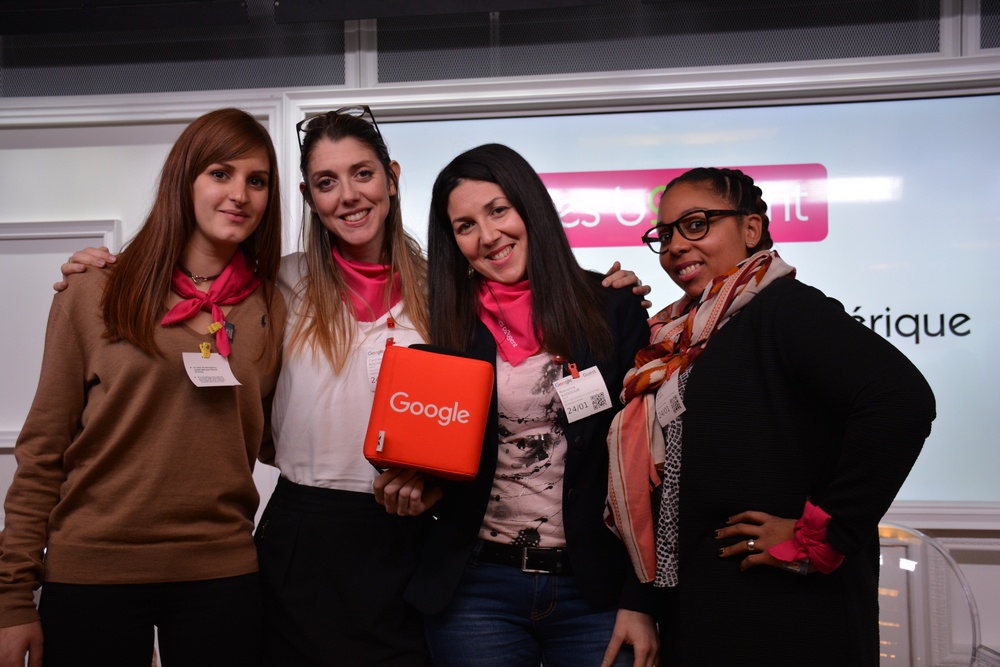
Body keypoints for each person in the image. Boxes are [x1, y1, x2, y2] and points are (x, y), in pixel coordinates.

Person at [52, 108, 650, 666]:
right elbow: (201, 297)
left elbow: (491, 375)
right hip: (302, 534)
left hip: (409, 533)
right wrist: (107, 268)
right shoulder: (276, 285)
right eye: (326, 182)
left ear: (391, 177)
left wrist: (607, 289)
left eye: (363, 173)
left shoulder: (445, 295)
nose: (348, 195)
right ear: (309, 197)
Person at [607, 167, 936, 666]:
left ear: (751, 229)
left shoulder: (784, 309)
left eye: (696, 224)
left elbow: (900, 400)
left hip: (786, 610)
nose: (675, 246)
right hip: (702, 607)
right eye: (666, 234)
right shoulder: (682, 338)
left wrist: (824, 532)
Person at [0, 107, 285, 667]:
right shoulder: (94, 290)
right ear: (185, 180)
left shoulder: (273, 306)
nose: (240, 195)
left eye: (257, 181)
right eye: (220, 174)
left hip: (221, 571)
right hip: (93, 569)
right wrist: (12, 598)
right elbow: (43, 450)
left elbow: (280, 438)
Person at [384, 143, 658, 667]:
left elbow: (644, 466)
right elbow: (435, 448)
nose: (488, 236)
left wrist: (640, 599)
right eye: (465, 226)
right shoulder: (444, 323)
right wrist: (410, 483)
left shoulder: (611, 307)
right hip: (477, 589)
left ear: (530, 208)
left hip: (595, 589)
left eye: (498, 210)